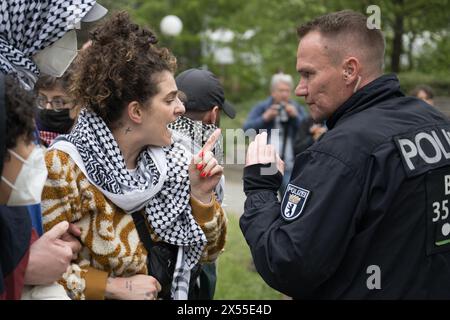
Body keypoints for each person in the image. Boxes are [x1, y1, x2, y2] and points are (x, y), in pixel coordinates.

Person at [240, 10, 450, 299]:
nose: (301, 89)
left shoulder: (341, 152)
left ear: (350, 70)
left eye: (308, 74)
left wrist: (260, 188)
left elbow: (287, 263)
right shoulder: (437, 124)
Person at [41, 12, 227, 300]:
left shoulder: (176, 160)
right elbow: (40, 271)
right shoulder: (64, 168)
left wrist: (202, 197)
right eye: (169, 99)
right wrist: (113, 287)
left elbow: (207, 253)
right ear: (136, 112)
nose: (180, 108)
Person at [0, 74, 81, 300]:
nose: (34, 152)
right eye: (26, 140)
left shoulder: (15, 218)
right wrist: (24, 263)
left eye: (59, 102)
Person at [170, 68, 236, 299]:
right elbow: (212, 243)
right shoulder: (207, 162)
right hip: (191, 275)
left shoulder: (156, 143)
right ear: (214, 114)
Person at [243, 72, 307, 194]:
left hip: (289, 165)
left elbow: (308, 131)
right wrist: (265, 118)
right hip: (266, 165)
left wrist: (296, 117)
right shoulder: (262, 108)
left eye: (287, 91)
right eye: (281, 90)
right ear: (272, 92)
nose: (284, 94)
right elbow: (246, 130)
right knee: (264, 198)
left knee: (288, 198)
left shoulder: (296, 109)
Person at [34, 71, 80, 147]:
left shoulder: (85, 149)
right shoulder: (25, 139)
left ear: (77, 106)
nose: (48, 107)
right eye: (42, 99)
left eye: (58, 102)